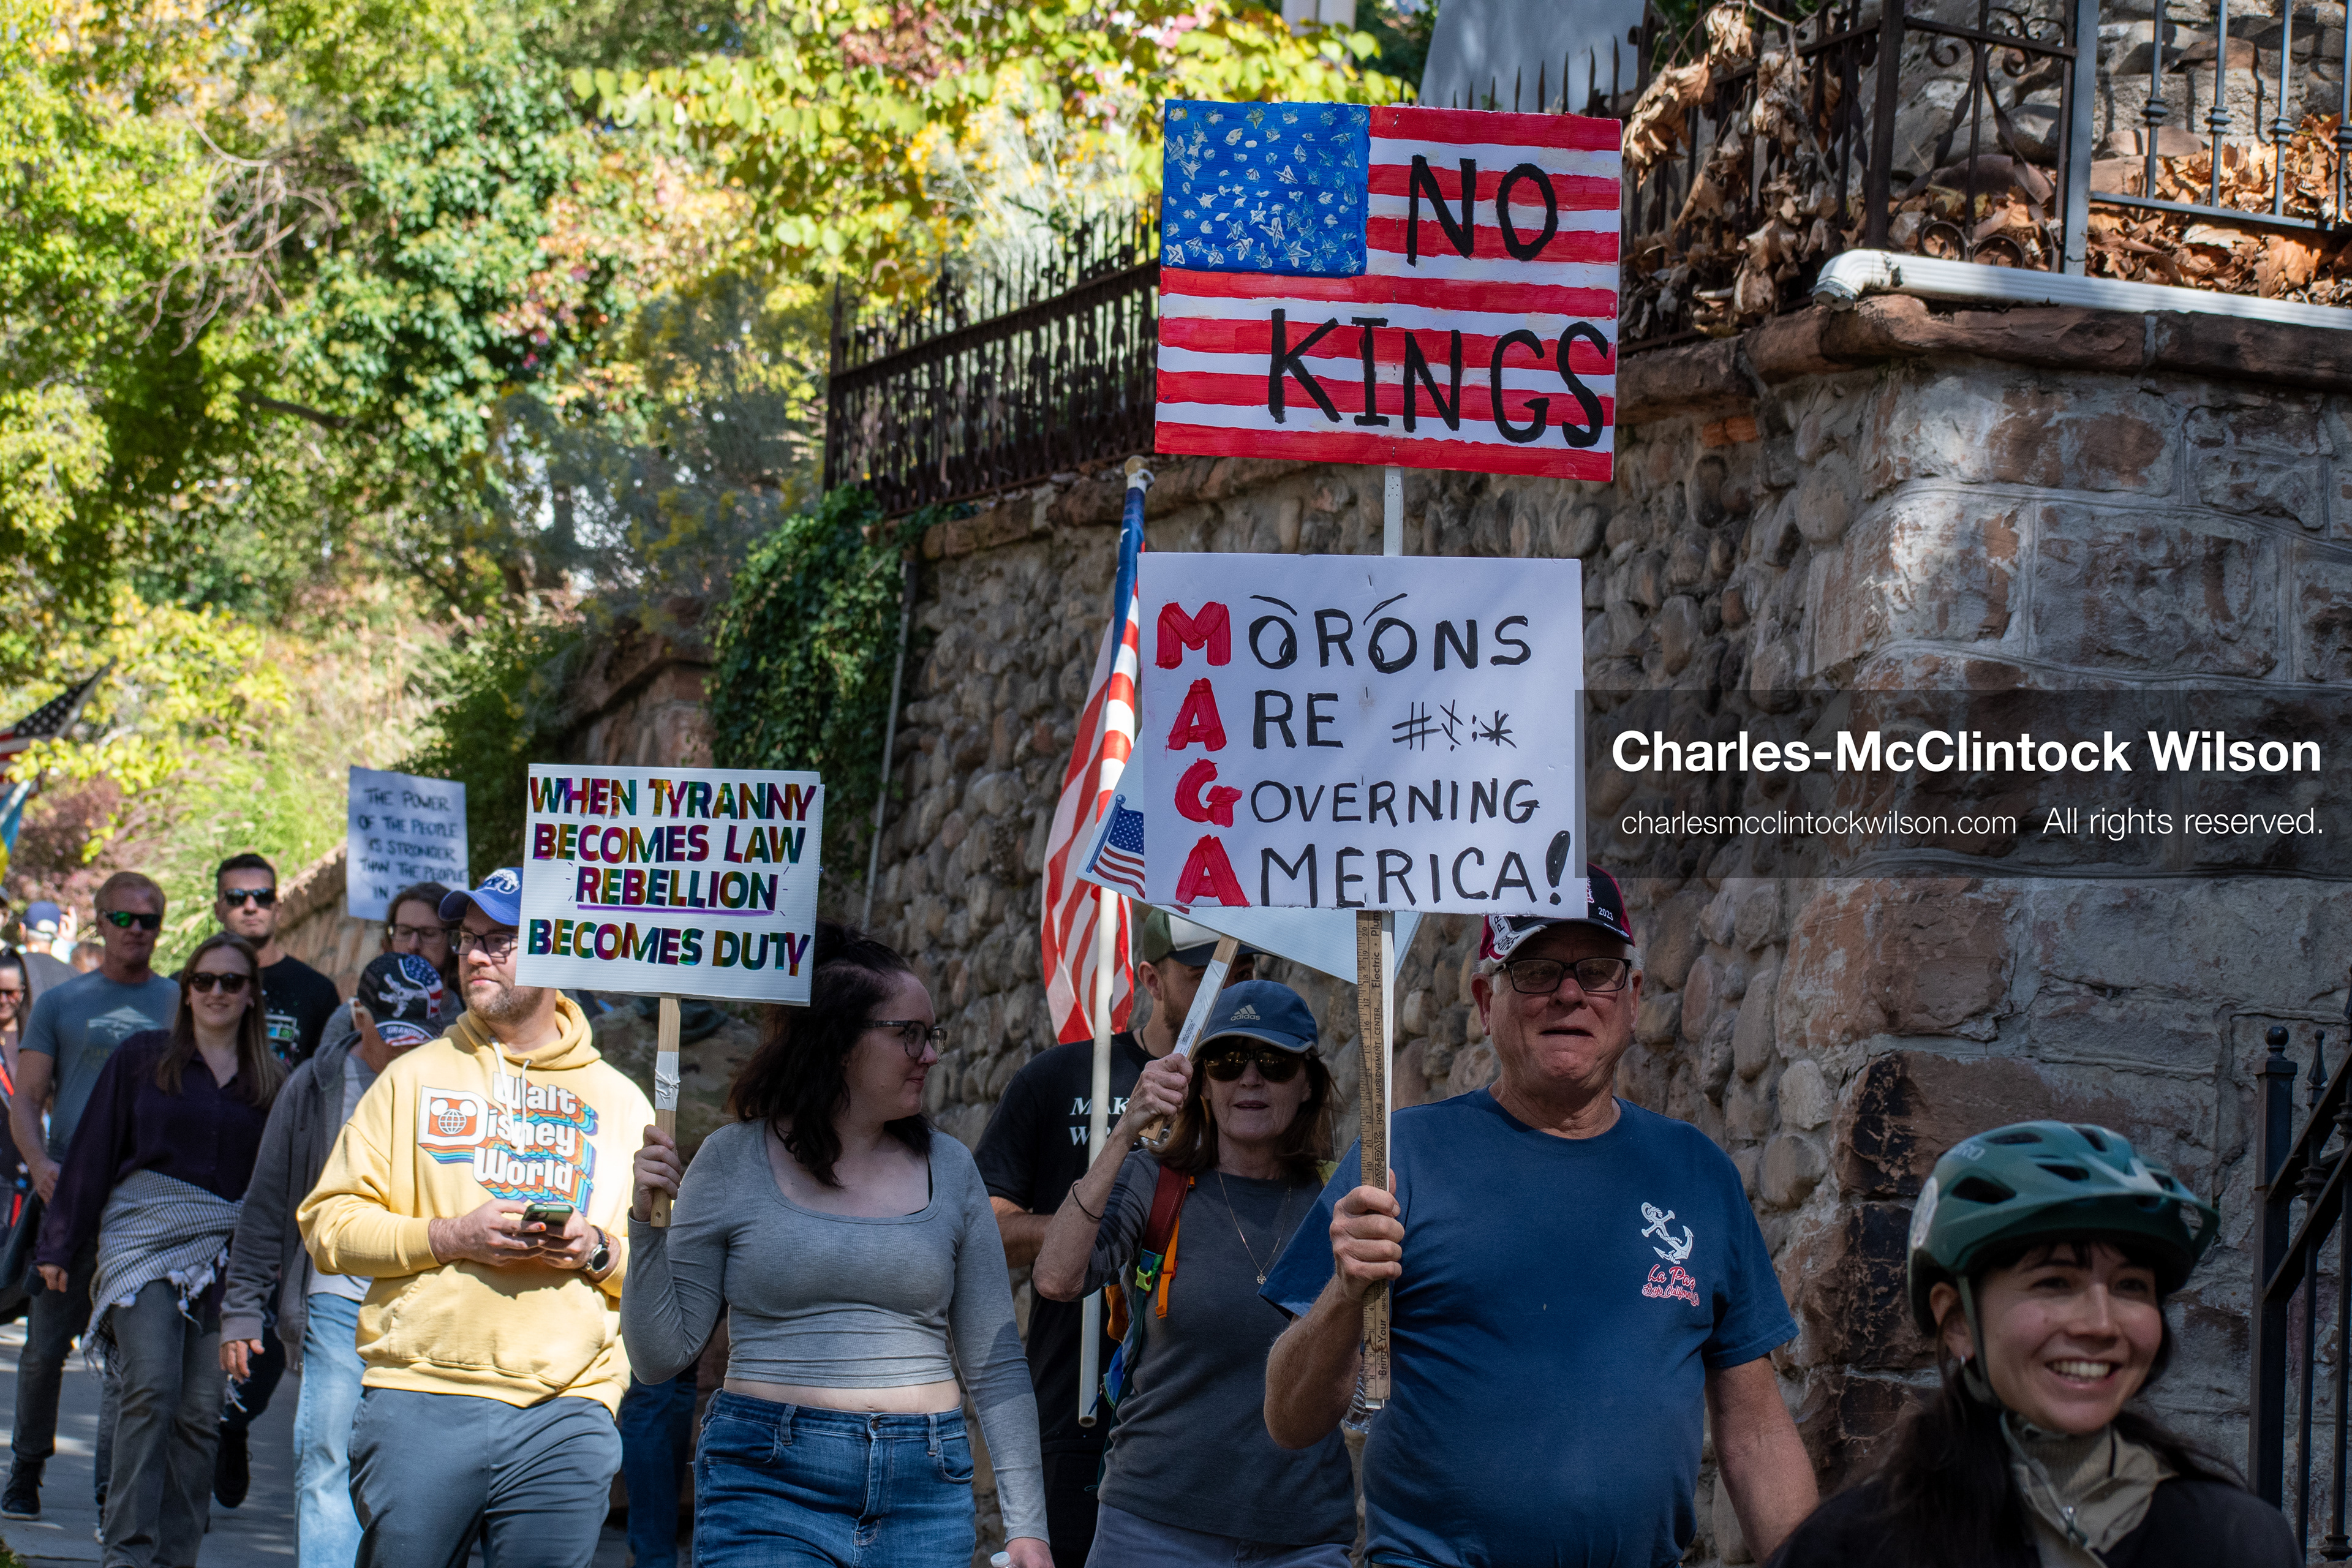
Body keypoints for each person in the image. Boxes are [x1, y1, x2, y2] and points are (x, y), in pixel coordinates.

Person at [1261, 867, 1819, 1566]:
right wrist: (1345, 1295)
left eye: (1598, 968)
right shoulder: (1400, 1159)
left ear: (1633, 996)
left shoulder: (1698, 1173)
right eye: (1535, 969)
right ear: (1484, 997)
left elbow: (1756, 1434)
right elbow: (1289, 1419)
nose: (1569, 991)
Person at [623, 922, 1052, 1568]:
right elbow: (660, 1357)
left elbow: (994, 1364)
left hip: (925, 1490)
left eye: (932, 1034)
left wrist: (1029, 1527)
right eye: (908, 1033)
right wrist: (645, 1224)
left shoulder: (953, 1167)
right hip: (767, 1483)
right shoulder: (730, 1160)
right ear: (837, 1043)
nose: (930, 1053)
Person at [296, 867, 647, 1568]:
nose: (475, 955)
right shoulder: (411, 1077)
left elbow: (659, 1277)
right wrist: (449, 1235)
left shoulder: (623, 1101)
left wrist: (595, 1247)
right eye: (467, 940)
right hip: (419, 1396)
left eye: (500, 940)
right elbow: (328, 1224)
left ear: (559, 950)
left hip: (567, 1410)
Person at [1764, 1120, 2297, 1568]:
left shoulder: (2238, 1541)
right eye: (2055, 1283)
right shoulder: (1853, 1550)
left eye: (2131, 1286)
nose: (2101, 1324)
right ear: (1957, 1322)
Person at [1033, 979, 1353, 1566]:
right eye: (1229, 1062)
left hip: (1301, 1536)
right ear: (1202, 1083)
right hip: (1153, 1529)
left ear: (1308, 1083)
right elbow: (1056, 1278)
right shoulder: (1156, 1181)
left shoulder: (1341, 1202)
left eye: (1275, 1063)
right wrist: (1127, 1131)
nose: (1250, 1079)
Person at [974, 907, 1256, 1568]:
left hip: (1204, 1416)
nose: (1228, 986)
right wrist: (1107, 1233)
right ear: (1152, 978)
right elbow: (988, 1226)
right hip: (1077, 1397)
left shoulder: (1253, 1089)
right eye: (1204, 972)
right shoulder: (1062, 1077)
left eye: (1242, 969)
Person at [34, 931, 282, 1567]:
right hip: (141, 1240)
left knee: (201, 1409)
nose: (216, 993)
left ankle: (176, 1555)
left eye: (231, 981)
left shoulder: (272, 1081)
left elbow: (281, 1184)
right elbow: (92, 1148)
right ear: (186, 990)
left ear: (251, 994)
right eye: (204, 980)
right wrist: (59, 1244)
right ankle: (127, 1549)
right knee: (148, 1387)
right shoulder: (144, 1058)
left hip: (226, 1252)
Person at [220, 953, 444, 1568]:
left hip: (428, 1303)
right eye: (388, 1037)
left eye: (416, 1040)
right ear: (357, 1015)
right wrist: (242, 1308)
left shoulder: (457, 1083)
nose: (402, 1054)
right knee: (326, 1456)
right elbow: (267, 1201)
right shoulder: (317, 1084)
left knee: (413, 1476)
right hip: (337, 1295)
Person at [2, 871, 178, 1521]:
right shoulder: (61, 1003)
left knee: (131, 1353)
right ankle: (25, 1470)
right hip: (70, 1197)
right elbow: (25, 1101)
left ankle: (115, 1484)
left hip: (145, 1200)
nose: (137, 932)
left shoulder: (180, 1003)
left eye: (149, 920)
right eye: (124, 919)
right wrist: (42, 1164)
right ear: (100, 922)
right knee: (48, 1344)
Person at [311, 882, 462, 1070]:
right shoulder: (351, 1019)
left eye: (429, 934)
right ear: (388, 940)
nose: (413, 945)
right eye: (404, 932)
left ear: (454, 941)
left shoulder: (470, 1021)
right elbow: (322, 1085)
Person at [215, 854, 341, 1066]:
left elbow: (329, 1077)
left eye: (263, 896)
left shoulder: (317, 991)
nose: (251, 907)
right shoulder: (196, 986)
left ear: (278, 908)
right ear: (218, 911)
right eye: (237, 897)